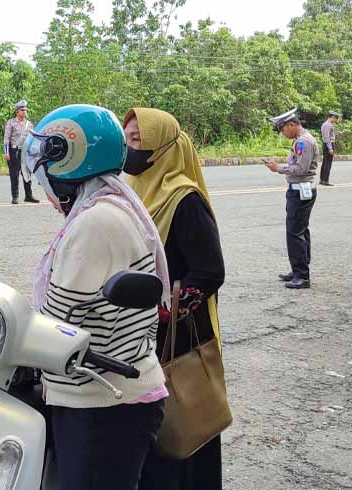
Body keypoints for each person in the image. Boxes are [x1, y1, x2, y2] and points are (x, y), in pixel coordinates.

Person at [26, 104, 169, 490]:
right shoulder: (109, 205)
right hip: (108, 391)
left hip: (103, 401)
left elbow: (57, 322)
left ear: (67, 160)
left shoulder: (95, 223)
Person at [122, 108, 226, 490]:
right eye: (127, 139)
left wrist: (168, 312)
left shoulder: (184, 199)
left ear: (161, 146)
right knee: (152, 429)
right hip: (141, 329)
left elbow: (211, 271)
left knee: (184, 423)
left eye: (137, 141)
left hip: (177, 335)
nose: (129, 150)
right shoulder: (133, 189)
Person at [264, 108, 319, 289]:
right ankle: (298, 270)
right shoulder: (301, 140)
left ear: (292, 125)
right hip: (301, 190)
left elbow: (301, 169)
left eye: (283, 129)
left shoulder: (303, 142)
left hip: (300, 191)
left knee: (294, 233)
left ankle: (302, 275)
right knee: (301, 231)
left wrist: (278, 168)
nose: (283, 133)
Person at [3, 100, 38, 204]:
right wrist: (6, 152)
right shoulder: (11, 123)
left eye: (25, 110)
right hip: (14, 151)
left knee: (27, 174)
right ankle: (15, 196)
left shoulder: (29, 124)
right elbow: (6, 138)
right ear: (17, 111)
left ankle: (29, 195)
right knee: (14, 174)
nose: (24, 112)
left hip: (26, 152)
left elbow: (32, 138)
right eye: (22, 110)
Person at [320, 111, 339, 186]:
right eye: (336, 118)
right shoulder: (328, 125)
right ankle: (326, 180)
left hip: (325, 144)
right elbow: (327, 137)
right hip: (329, 144)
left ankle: (322, 179)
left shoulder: (324, 124)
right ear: (332, 117)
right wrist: (330, 148)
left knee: (325, 162)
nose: (336, 120)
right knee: (328, 163)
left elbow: (328, 135)